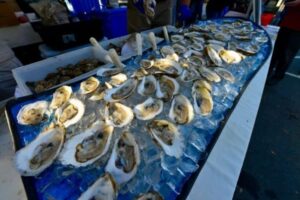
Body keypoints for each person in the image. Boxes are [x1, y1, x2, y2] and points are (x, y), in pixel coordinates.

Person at [267, 0, 300, 85]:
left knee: (286, 55)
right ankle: (268, 72)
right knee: (276, 50)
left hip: (297, 30)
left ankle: (277, 76)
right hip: (286, 23)